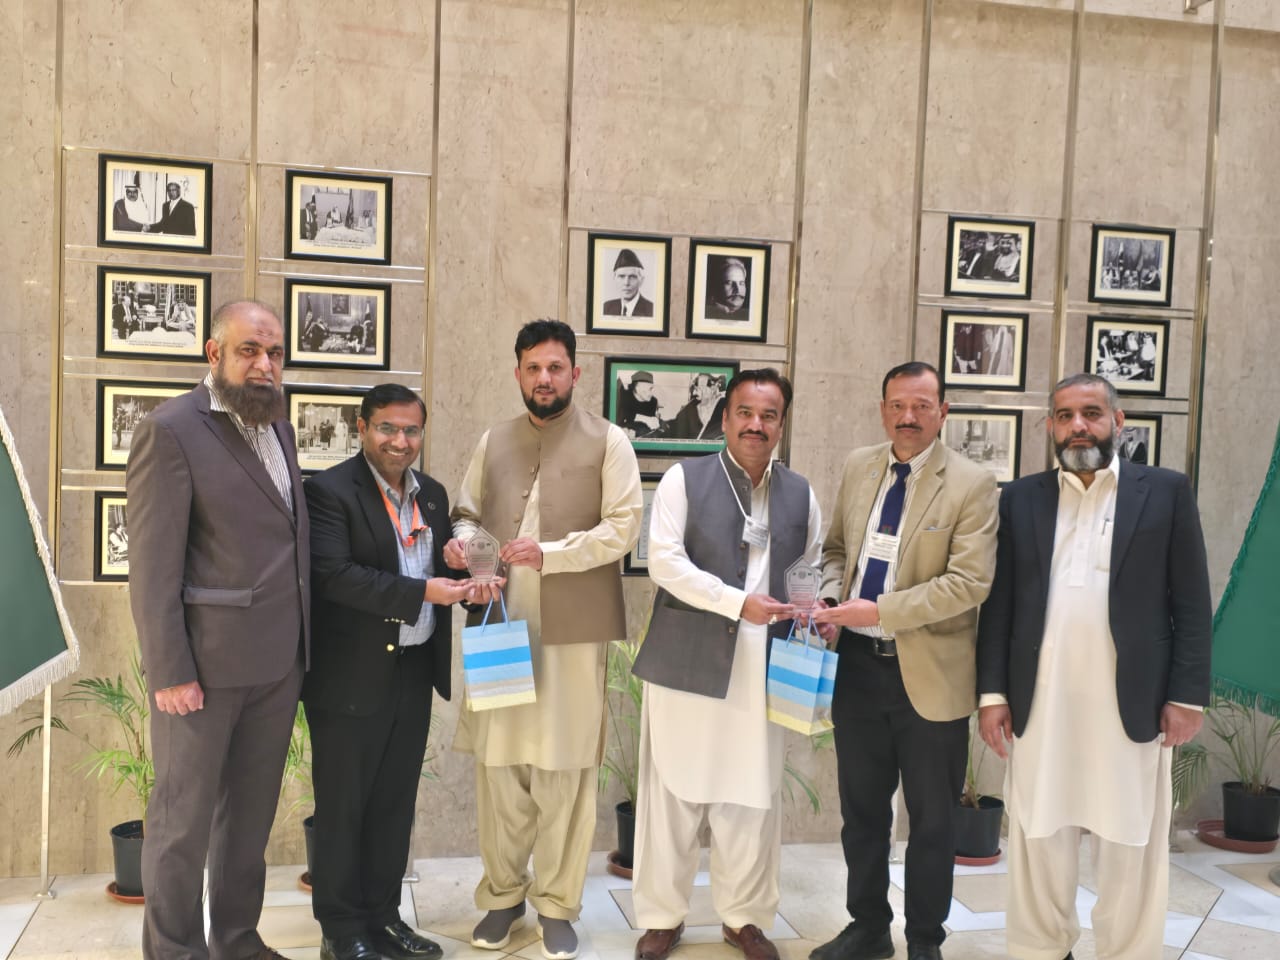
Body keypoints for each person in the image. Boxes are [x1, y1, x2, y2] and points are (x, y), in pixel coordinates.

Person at [976, 373, 1211, 960]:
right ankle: (1039, 948)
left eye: (1090, 413)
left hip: (1132, 701)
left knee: (1131, 839)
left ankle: (1127, 951)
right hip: (1041, 698)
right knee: (1037, 832)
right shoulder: (1021, 498)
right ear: (1050, 426)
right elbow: (1000, 605)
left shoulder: (1165, 491)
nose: (1077, 426)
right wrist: (992, 695)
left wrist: (1186, 696)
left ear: (1117, 421)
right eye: (1064, 416)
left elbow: (1191, 601)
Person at [444, 319, 642, 960]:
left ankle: (558, 905)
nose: (544, 379)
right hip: (500, 621)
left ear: (575, 372)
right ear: (518, 373)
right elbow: (465, 513)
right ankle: (503, 898)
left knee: (565, 768)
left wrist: (550, 553)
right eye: (533, 368)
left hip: (575, 630)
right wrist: (463, 543)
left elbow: (624, 527)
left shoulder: (610, 441)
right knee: (500, 767)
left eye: (555, 367)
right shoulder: (493, 440)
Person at [126, 299, 309, 960]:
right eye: (249, 350)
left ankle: (235, 939)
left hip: (276, 666)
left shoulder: (279, 424)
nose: (264, 365)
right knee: (181, 824)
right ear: (214, 353)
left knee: (248, 821)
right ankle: (174, 951)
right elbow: (152, 568)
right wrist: (171, 670)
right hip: (201, 672)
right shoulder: (171, 430)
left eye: (274, 353)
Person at [630, 368, 822, 960]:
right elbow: (663, 562)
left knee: (751, 797)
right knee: (672, 794)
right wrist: (737, 602)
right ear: (725, 418)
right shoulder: (683, 480)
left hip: (765, 668)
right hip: (687, 659)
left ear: (782, 424)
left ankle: (745, 919)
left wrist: (818, 607)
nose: (756, 425)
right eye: (745, 413)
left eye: (769, 415)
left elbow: (812, 566)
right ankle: (662, 917)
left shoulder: (801, 493)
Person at [810, 361, 999, 960]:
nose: (908, 416)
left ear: (943, 411)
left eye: (921, 405)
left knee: (933, 821)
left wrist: (881, 610)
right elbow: (836, 549)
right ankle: (868, 928)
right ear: (882, 409)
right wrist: (833, 600)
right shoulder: (859, 466)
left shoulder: (972, 483)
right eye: (897, 405)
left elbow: (968, 583)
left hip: (930, 675)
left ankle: (924, 940)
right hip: (858, 669)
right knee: (862, 814)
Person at [303, 383, 496, 960]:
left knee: (393, 805)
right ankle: (341, 930)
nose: (400, 440)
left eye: (411, 430)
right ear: (361, 428)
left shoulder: (431, 495)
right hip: (348, 677)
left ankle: (384, 918)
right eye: (387, 427)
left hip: (413, 670)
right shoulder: (328, 491)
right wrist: (426, 591)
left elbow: (435, 572)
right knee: (343, 808)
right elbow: (335, 577)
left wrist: (464, 576)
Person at [669, 372, 725, 441]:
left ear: (714, 388)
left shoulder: (723, 405)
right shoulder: (691, 406)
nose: (696, 392)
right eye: (696, 388)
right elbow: (676, 424)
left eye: (701, 388)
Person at [601, 248, 654, 317]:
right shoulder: (606, 308)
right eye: (621, 276)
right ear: (614, 278)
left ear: (641, 280)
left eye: (632, 277)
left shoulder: (652, 310)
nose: (626, 283)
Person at [617, 370, 663, 437]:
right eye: (650, 388)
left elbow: (647, 427)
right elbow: (622, 417)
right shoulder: (624, 396)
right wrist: (641, 418)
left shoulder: (653, 402)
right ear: (637, 388)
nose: (652, 393)